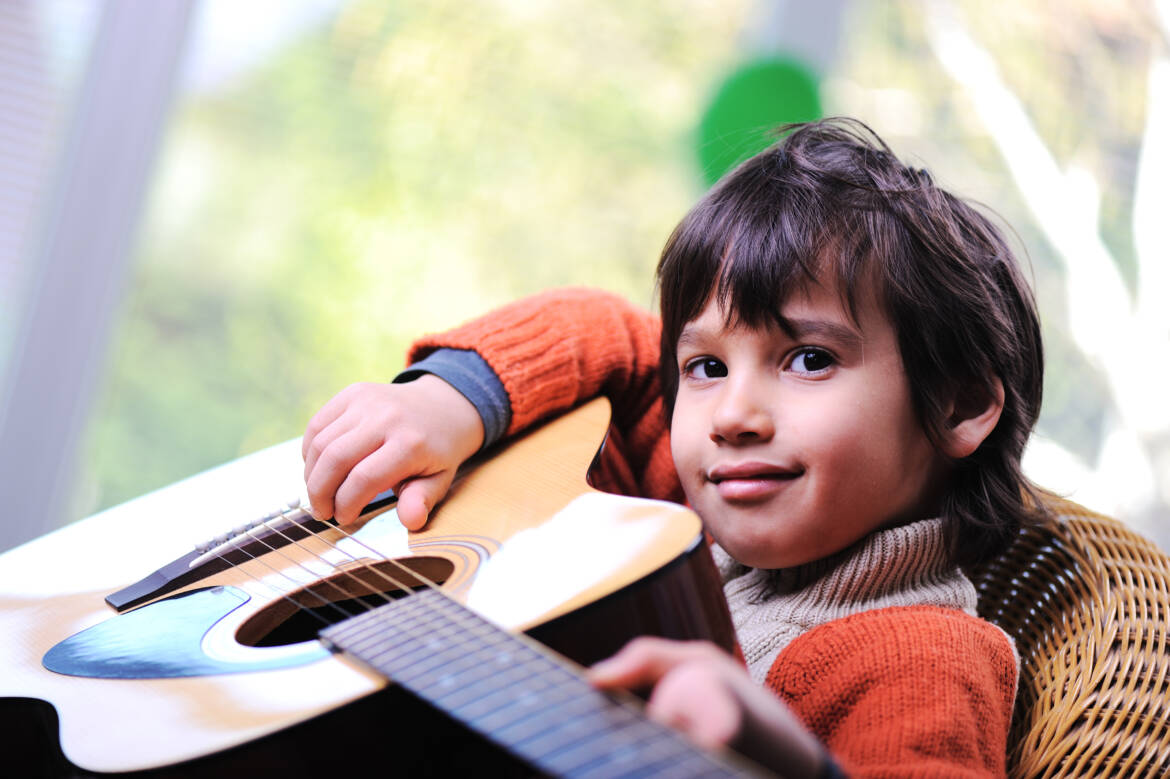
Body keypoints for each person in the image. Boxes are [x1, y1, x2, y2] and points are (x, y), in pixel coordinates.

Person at [301, 118, 1047, 776]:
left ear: (960, 403)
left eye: (809, 358)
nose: (734, 415)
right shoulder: (697, 499)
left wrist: (777, 749)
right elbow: (614, 332)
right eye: (707, 367)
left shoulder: (923, 658)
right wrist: (449, 398)